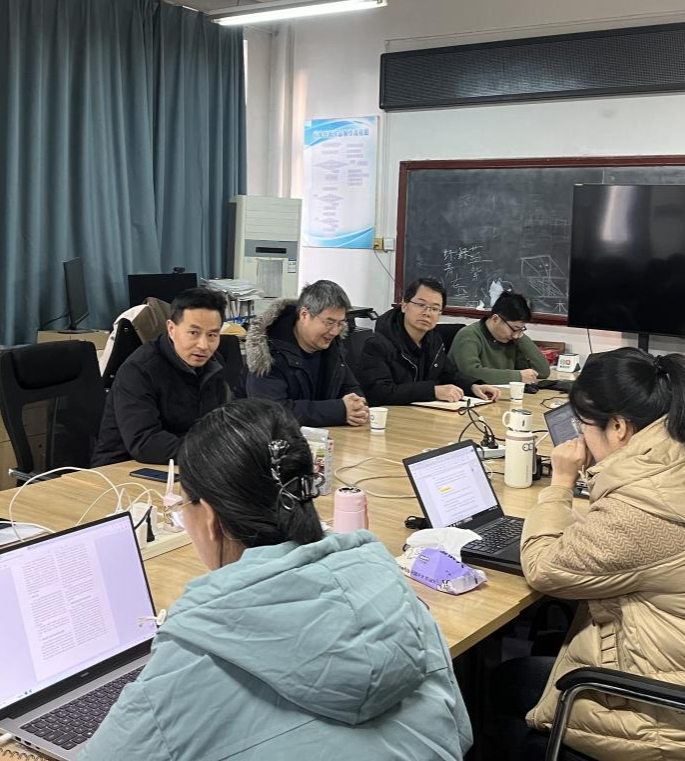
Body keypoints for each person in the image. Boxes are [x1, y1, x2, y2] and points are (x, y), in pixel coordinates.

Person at [80, 398, 472, 761]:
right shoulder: (398, 597)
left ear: (210, 517)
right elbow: (458, 732)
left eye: (185, 504)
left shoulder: (194, 658)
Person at [498, 348, 685, 761]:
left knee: (505, 683)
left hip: (677, 718)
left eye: (583, 425)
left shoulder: (643, 507)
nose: (579, 436)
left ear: (619, 426)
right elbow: (647, 542)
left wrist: (560, 485)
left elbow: (543, 569)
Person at [92, 288, 232, 467]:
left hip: (188, 464)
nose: (203, 345)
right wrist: (212, 452)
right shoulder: (139, 370)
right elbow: (145, 443)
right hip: (122, 469)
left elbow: (223, 423)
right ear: (171, 329)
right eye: (194, 333)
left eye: (212, 335)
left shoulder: (213, 364)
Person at [357, 277, 501, 406]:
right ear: (404, 305)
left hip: (422, 416)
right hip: (393, 419)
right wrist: (433, 391)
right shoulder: (377, 344)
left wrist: (473, 387)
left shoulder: (433, 340)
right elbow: (379, 393)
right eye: (421, 305)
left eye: (435, 308)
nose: (427, 313)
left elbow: (448, 374)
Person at [245, 280, 368, 427]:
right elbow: (272, 412)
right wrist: (339, 410)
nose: (335, 331)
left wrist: (357, 406)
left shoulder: (332, 348)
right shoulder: (268, 353)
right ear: (304, 315)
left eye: (340, 323)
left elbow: (351, 389)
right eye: (329, 322)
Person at [447, 291, 551, 386]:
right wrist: (518, 376)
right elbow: (471, 373)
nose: (516, 335)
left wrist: (521, 337)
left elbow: (542, 372)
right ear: (495, 319)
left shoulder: (514, 339)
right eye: (514, 328)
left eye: (521, 329)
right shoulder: (469, 335)